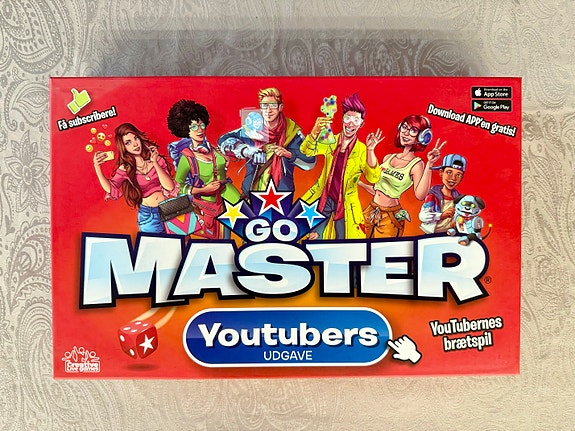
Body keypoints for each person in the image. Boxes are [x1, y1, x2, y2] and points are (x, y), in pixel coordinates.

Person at [300, 93, 382, 239]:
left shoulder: (362, 150)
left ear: (361, 124)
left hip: (345, 206)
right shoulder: (330, 140)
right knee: (312, 238)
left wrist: (370, 150)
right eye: (348, 118)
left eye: (356, 120)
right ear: (342, 119)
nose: (351, 124)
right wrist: (314, 131)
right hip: (323, 200)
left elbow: (373, 178)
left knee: (344, 243)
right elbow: (306, 151)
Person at [218, 87, 316, 196]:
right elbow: (223, 140)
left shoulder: (292, 132)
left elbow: (310, 162)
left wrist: (290, 155)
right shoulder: (252, 128)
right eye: (264, 106)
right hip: (252, 192)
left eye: (273, 105)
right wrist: (246, 151)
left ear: (280, 107)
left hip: (281, 195)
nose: (268, 110)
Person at [358, 115, 445, 238]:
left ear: (422, 137)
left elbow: (420, 195)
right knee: (359, 244)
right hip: (371, 209)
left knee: (381, 248)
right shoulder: (388, 158)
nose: (406, 133)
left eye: (413, 130)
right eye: (404, 127)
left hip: (390, 217)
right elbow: (378, 188)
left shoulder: (416, 164)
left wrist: (429, 164)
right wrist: (370, 150)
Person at [166, 99, 241, 238]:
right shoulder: (187, 158)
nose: (200, 130)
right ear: (186, 130)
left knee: (246, 226)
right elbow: (177, 186)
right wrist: (202, 190)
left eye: (202, 125)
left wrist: (226, 161)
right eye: (194, 126)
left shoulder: (215, 149)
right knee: (217, 238)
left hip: (229, 197)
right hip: (207, 204)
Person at [93, 123, 178, 233]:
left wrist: (155, 163)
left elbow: (170, 187)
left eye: (136, 138)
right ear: (123, 147)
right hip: (148, 215)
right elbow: (111, 188)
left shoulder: (156, 159)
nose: (135, 144)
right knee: (156, 244)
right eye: (128, 143)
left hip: (168, 209)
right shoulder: (125, 169)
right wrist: (97, 167)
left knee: (180, 241)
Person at [419, 153, 466, 234]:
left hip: (450, 233)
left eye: (458, 175)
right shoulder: (433, 196)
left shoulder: (459, 199)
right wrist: (441, 216)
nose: (453, 178)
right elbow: (423, 216)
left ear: (462, 178)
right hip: (432, 234)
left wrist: (457, 221)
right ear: (441, 172)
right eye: (449, 172)